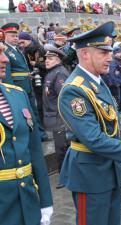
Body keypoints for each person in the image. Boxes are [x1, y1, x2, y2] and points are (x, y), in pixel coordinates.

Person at [57, 21, 121, 225]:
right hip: (90, 176)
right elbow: (94, 139)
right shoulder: (74, 90)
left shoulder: (97, 81)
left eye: (109, 52)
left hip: (108, 170)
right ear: (85, 54)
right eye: (103, 53)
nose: (110, 58)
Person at [0, 42, 53, 225]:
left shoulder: (17, 94)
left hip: (28, 200)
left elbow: (35, 150)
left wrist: (45, 201)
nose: (5, 59)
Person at [1, 23, 48, 141]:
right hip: (17, 87)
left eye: (16, 36)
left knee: (33, 110)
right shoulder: (5, 51)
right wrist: (11, 92)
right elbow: (7, 74)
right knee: (25, 113)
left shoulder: (18, 50)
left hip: (27, 85)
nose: (15, 38)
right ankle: (33, 136)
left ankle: (40, 134)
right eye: (12, 36)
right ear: (5, 36)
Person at [42, 44, 69, 179]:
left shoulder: (60, 73)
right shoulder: (53, 72)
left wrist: (62, 120)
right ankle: (65, 175)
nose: (47, 60)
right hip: (55, 118)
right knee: (61, 148)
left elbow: (63, 98)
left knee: (62, 149)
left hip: (60, 119)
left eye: (51, 58)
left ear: (58, 60)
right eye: (46, 58)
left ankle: (65, 177)